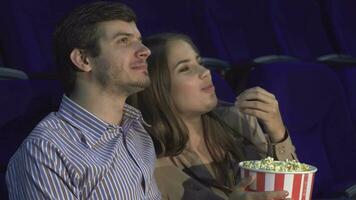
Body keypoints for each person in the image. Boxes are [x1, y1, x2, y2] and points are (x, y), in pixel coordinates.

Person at [6, 2, 160, 199]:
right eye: (124, 41)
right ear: (83, 60)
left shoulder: (137, 131)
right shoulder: (45, 152)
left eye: (139, 40)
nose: (145, 50)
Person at [129, 33, 298, 200]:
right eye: (185, 68)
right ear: (158, 91)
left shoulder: (239, 119)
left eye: (199, 62)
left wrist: (278, 134)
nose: (205, 72)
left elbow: (292, 193)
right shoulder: (148, 166)